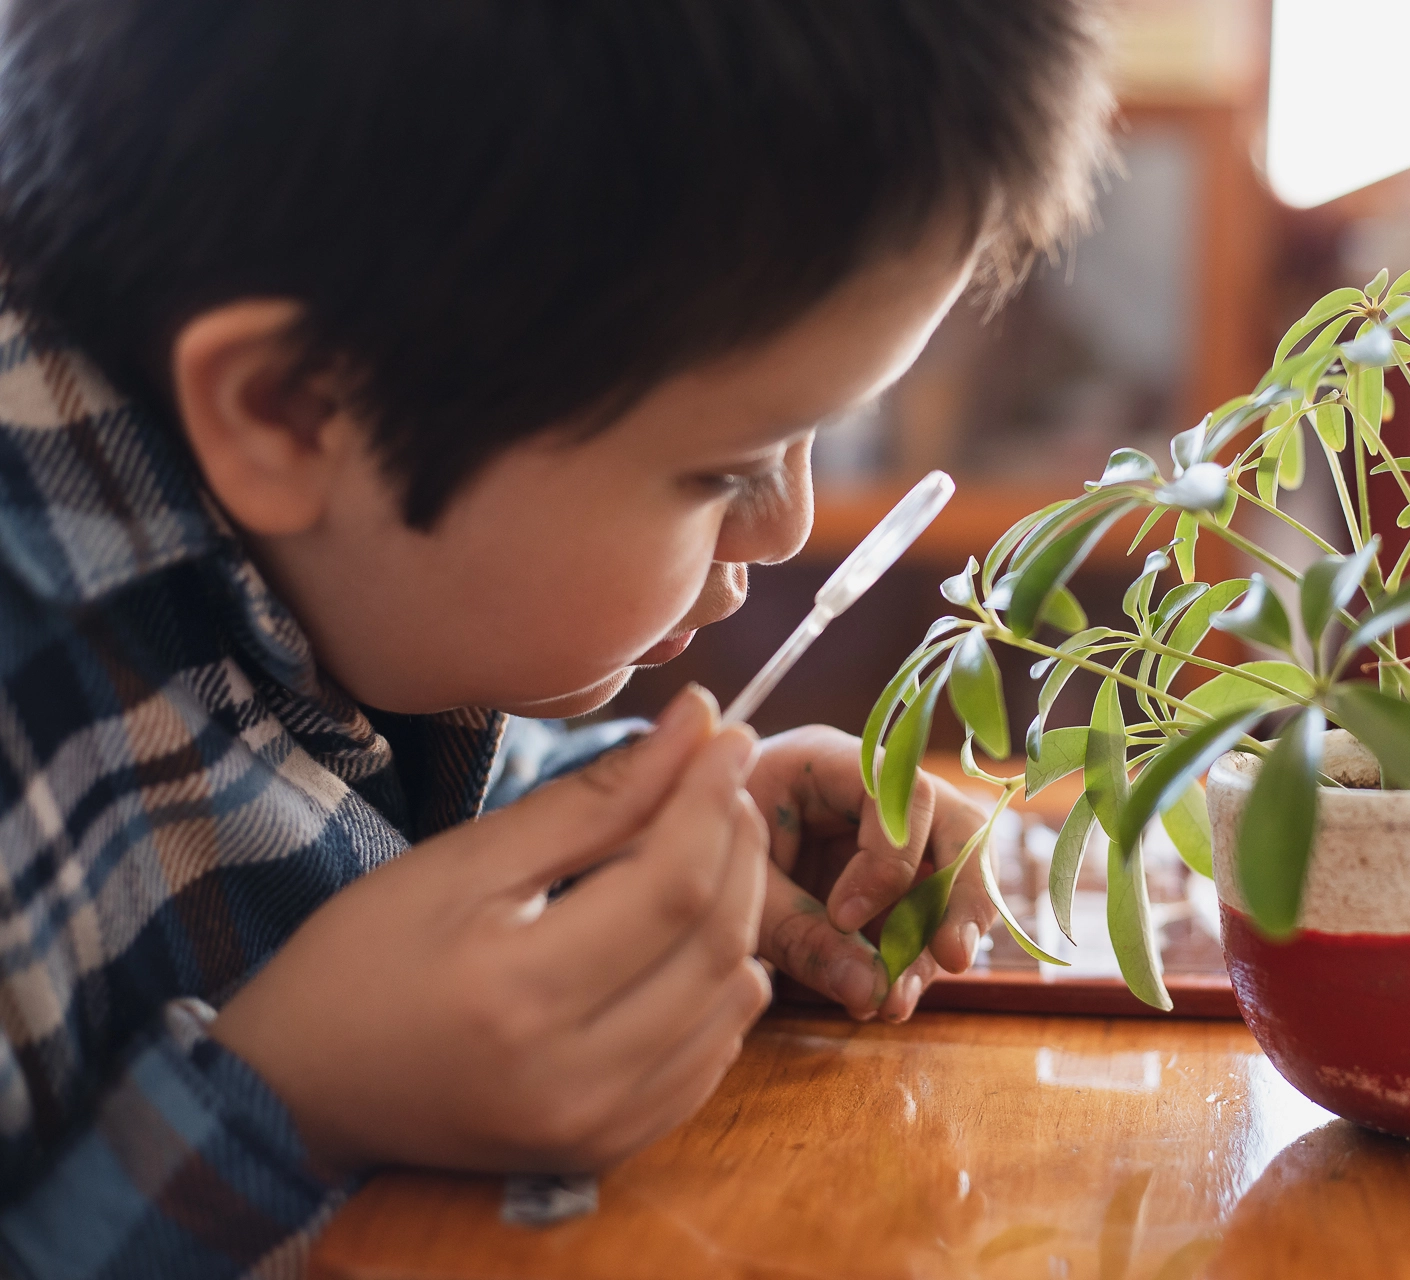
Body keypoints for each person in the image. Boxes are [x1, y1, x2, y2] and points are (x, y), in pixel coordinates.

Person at [0, 2, 1112, 1274]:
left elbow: (347, 798)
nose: (787, 522)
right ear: (296, 409)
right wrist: (297, 1100)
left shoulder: (355, 564)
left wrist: (645, 842)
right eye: (729, 465)